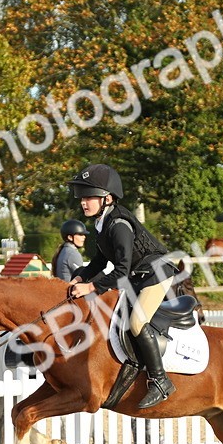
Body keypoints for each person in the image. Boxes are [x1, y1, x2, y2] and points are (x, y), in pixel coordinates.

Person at [66, 163, 179, 409]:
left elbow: (121, 271)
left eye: (89, 197)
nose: (83, 202)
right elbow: (99, 261)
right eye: (82, 197)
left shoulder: (118, 225)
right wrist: (81, 277)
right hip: (139, 276)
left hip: (156, 275)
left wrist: (91, 288)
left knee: (137, 323)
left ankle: (160, 381)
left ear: (107, 198)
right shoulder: (102, 223)